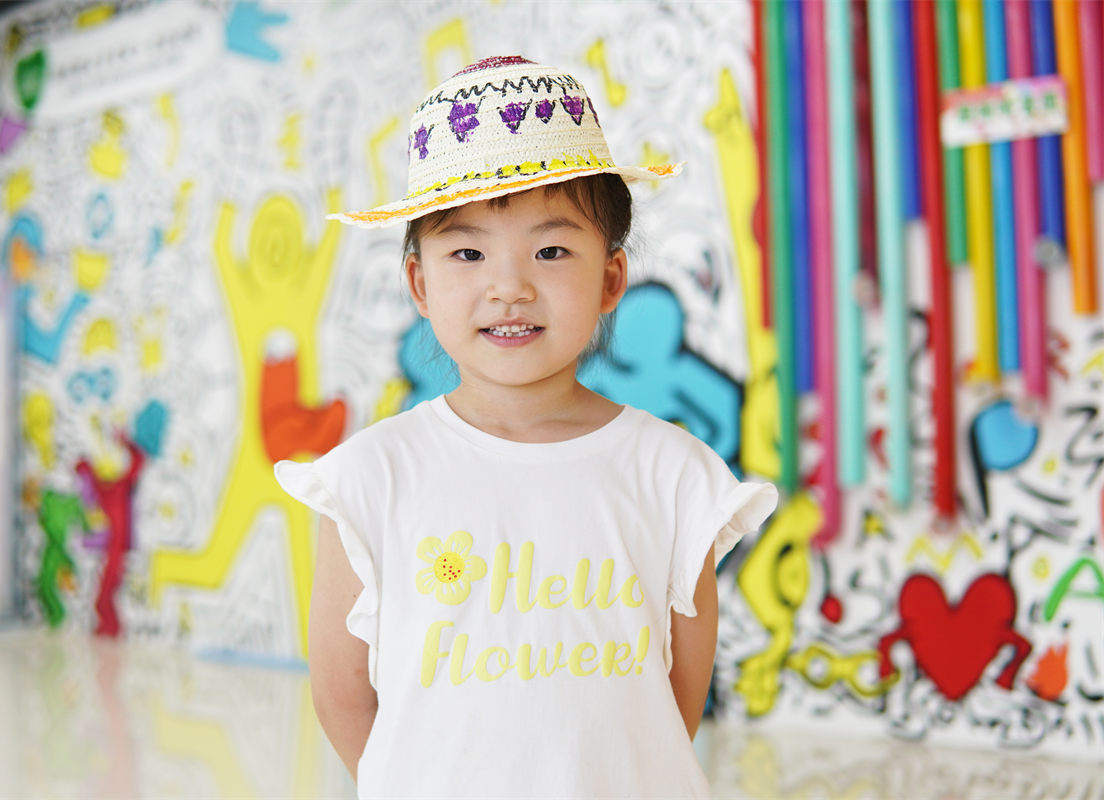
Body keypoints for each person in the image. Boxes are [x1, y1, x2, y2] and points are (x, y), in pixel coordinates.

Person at [275, 55, 778, 798]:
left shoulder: (675, 475)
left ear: (610, 278)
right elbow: (344, 695)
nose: (508, 286)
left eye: (551, 250)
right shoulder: (370, 478)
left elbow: (675, 699)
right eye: (467, 252)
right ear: (419, 283)